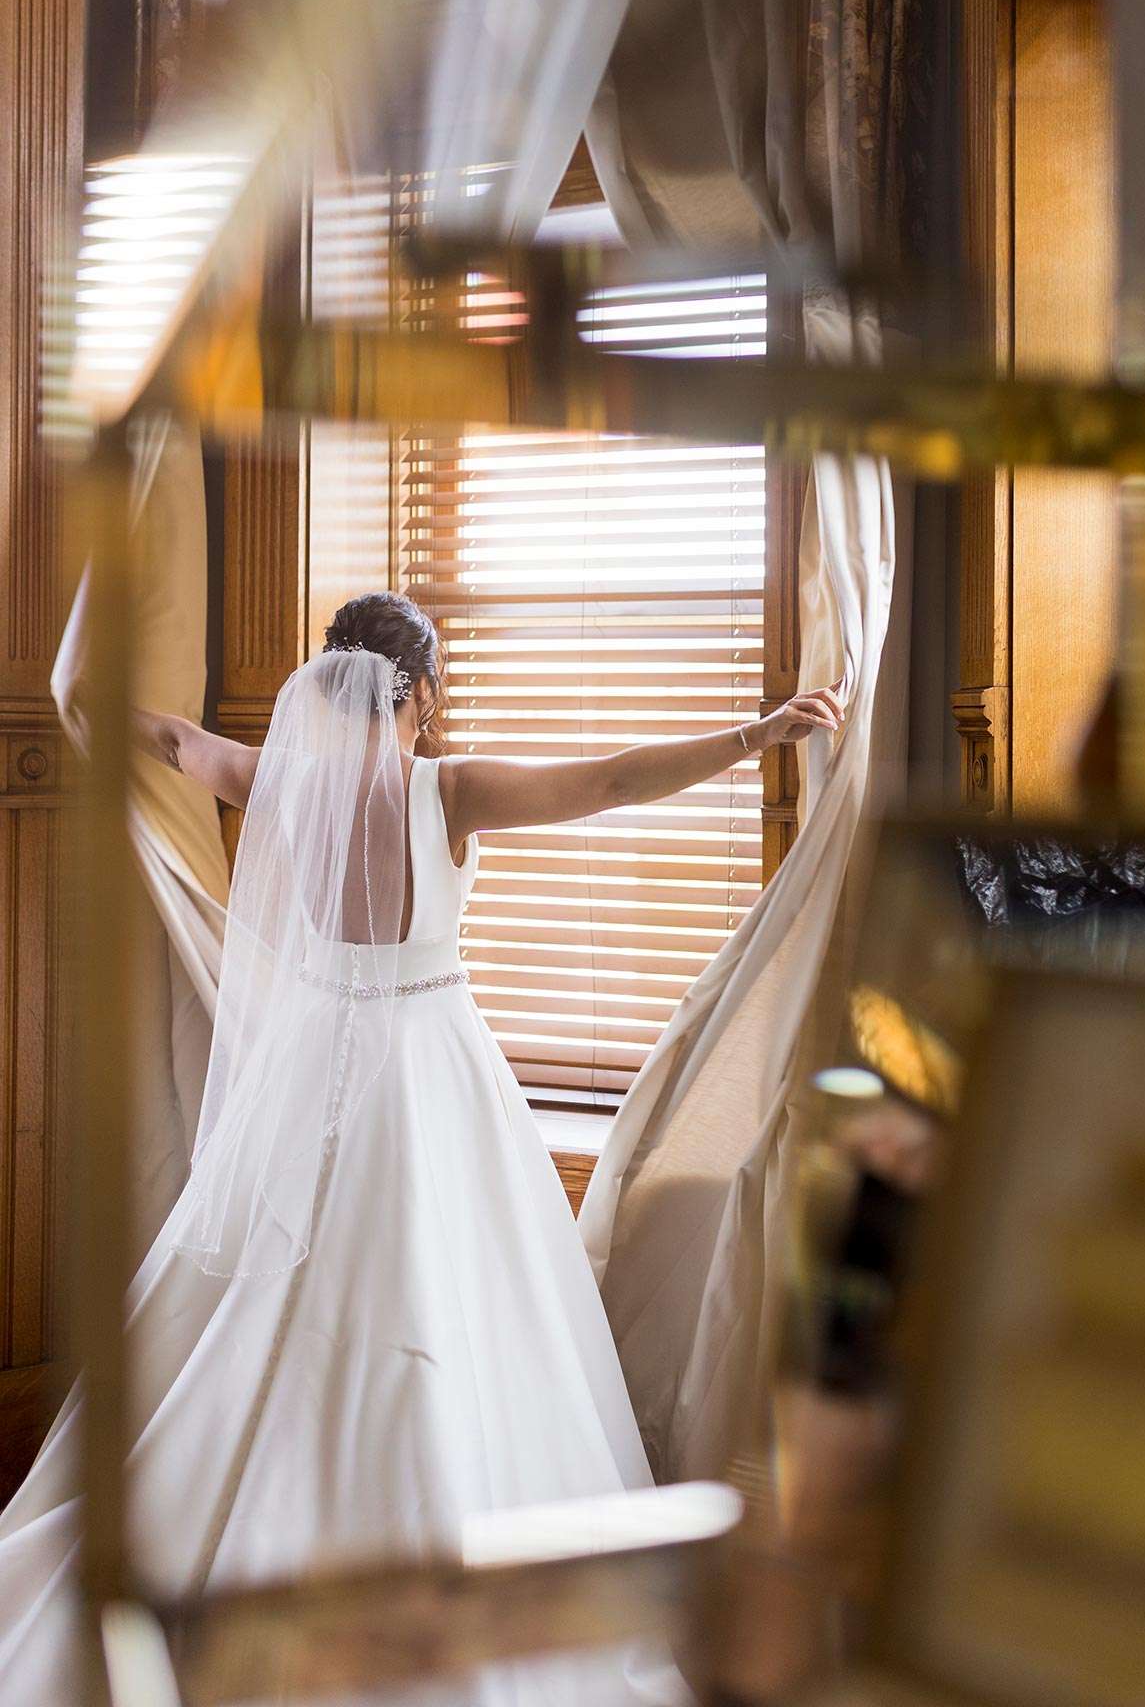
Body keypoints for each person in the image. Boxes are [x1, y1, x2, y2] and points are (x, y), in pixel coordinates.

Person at [0, 589, 841, 1704]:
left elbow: (161, 736)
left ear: (327, 684)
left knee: (279, 1301)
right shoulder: (448, 788)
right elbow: (607, 779)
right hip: (430, 1062)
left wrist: (80, 698)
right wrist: (760, 731)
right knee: (447, 1293)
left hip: (309, 1067)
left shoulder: (275, 780)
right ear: (426, 693)